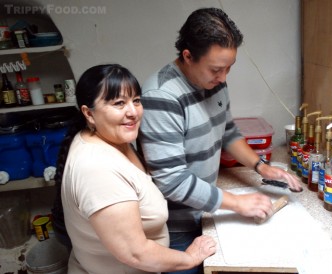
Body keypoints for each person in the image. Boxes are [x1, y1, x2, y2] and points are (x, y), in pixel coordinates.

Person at [138, 8, 302, 274]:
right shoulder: (162, 96)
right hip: (178, 227)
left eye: (229, 68)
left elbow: (227, 131)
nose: (224, 78)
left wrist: (261, 166)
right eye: (216, 69)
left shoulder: (215, 83)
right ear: (188, 56)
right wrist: (238, 203)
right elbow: (172, 181)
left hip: (207, 211)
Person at [51, 64, 216, 274]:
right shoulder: (97, 169)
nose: (132, 112)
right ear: (89, 113)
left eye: (136, 101)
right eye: (119, 103)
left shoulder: (114, 139)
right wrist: (190, 258)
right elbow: (135, 253)